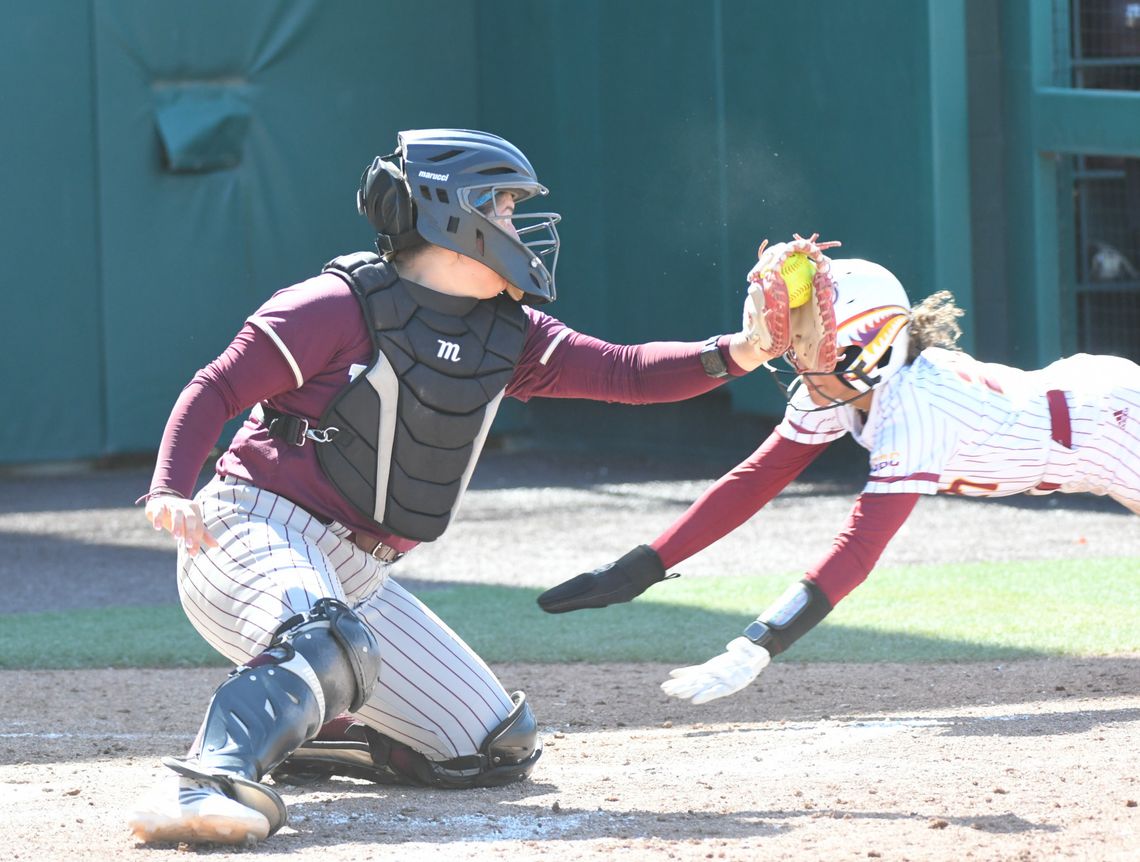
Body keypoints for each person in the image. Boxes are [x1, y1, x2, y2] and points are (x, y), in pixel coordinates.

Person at [127, 128, 811, 846]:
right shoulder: (334, 304)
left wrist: (746, 350)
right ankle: (207, 781)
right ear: (452, 214)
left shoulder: (505, 333)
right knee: (326, 637)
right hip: (248, 531)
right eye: (507, 208)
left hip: (360, 574)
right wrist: (170, 487)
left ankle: (325, 729)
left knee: (488, 745)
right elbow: (216, 386)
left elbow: (626, 371)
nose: (519, 226)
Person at [537, 252, 1140, 705]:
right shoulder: (842, 383)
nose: (793, 346)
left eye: (807, 336)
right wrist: (640, 567)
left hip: (1110, 427)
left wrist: (758, 645)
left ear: (865, 344)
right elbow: (756, 479)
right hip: (1080, 409)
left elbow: (859, 545)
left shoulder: (920, 405)